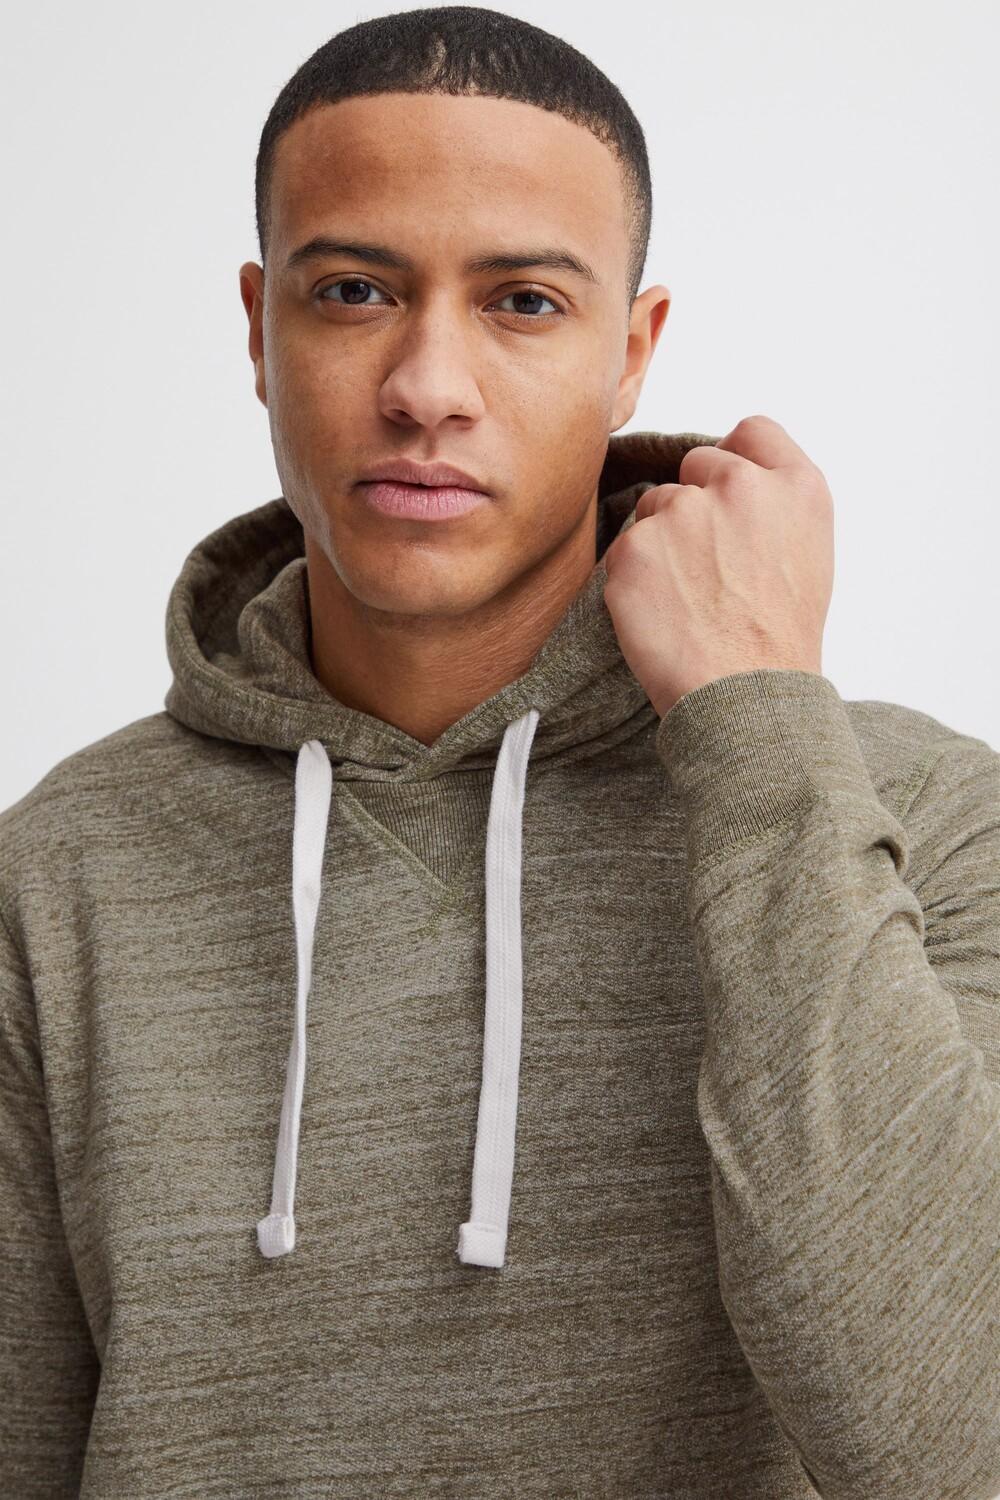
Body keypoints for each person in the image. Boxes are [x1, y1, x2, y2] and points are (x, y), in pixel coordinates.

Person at [2, 7, 998, 1498]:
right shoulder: (58, 870)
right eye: (354, 291)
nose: (427, 385)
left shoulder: (913, 816)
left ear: (631, 354)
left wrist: (755, 723)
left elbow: (958, 1442)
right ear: (260, 330)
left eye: (523, 302)